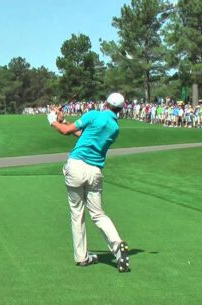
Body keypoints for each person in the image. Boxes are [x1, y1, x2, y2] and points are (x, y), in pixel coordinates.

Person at [47, 92, 130, 273]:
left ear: (106, 104)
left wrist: (53, 120)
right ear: (120, 109)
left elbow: (66, 131)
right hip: (94, 172)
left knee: (77, 213)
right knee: (98, 214)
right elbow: (84, 135)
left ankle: (82, 257)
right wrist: (63, 120)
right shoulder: (114, 128)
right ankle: (117, 245)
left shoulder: (93, 115)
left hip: (76, 167)